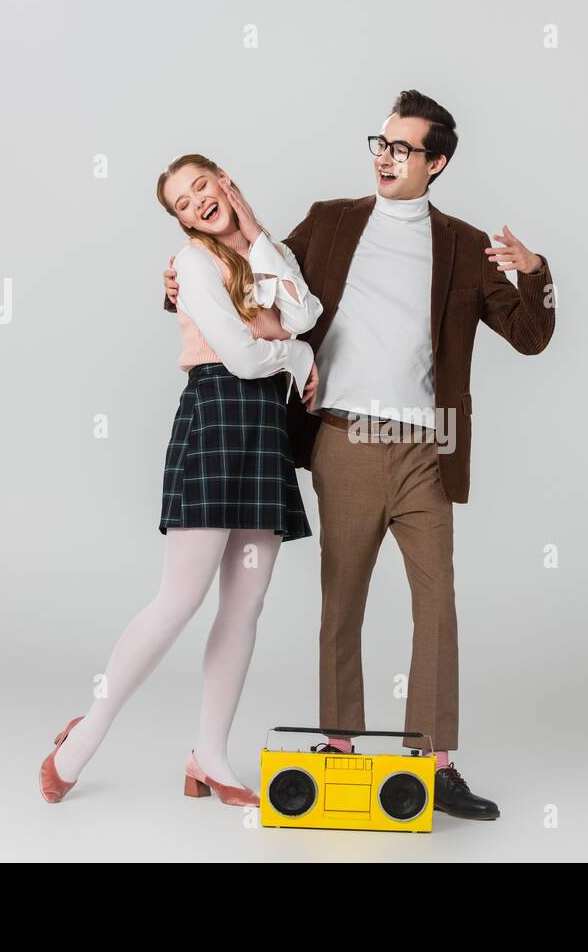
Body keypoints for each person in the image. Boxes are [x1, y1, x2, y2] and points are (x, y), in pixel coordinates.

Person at [162, 91, 558, 820]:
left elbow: (530, 336)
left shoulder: (466, 246)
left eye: (403, 149)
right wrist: (180, 287)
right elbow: (259, 282)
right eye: (380, 143)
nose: (385, 156)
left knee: (437, 603)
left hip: (425, 451)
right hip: (344, 440)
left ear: (435, 163)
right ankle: (339, 747)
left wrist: (533, 272)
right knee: (341, 604)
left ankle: (435, 764)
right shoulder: (332, 221)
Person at [40, 154, 322, 807]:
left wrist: (257, 237)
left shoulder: (263, 249)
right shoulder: (192, 264)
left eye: (203, 187)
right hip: (218, 416)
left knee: (246, 604)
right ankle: (85, 734)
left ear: (225, 181)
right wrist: (296, 353)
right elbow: (245, 356)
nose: (198, 203)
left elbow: (303, 313)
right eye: (183, 203)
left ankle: (210, 755)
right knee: (179, 598)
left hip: (264, 429)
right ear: (179, 220)